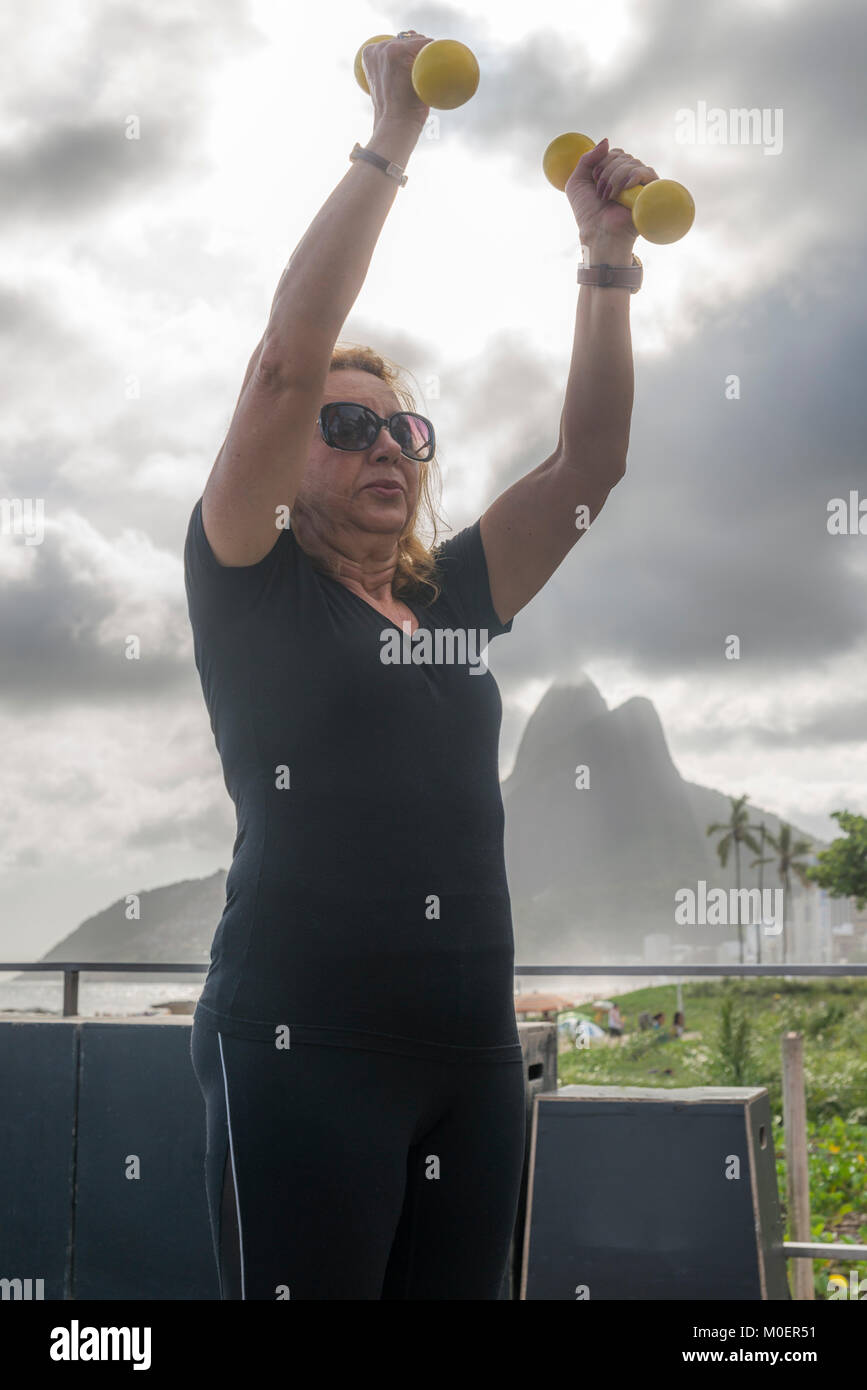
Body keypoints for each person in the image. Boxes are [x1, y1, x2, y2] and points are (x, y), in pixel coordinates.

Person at [185, 31, 653, 1300]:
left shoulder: (450, 601)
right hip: (301, 1044)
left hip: (469, 1058)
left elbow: (587, 467)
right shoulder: (254, 584)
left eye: (403, 428)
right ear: (286, 458)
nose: (383, 445)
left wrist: (604, 261)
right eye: (344, 428)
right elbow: (286, 358)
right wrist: (392, 136)